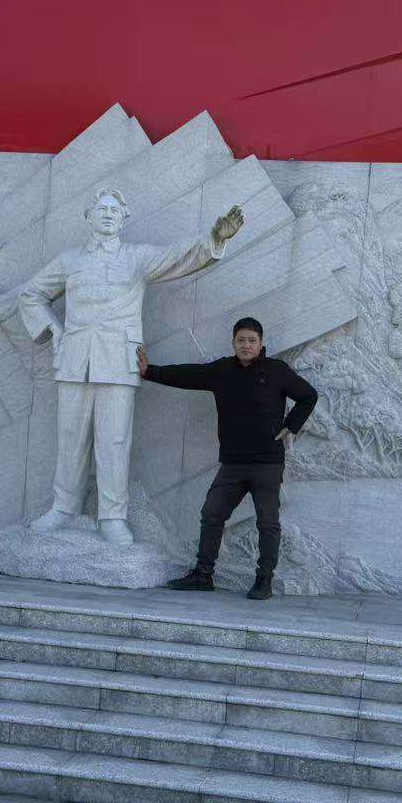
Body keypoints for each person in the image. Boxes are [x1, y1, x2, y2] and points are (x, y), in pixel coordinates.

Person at [16, 187, 244, 544]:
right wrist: (53, 331)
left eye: (114, 210)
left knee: (114, 440)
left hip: (118, 362)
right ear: (88, 217)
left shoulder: (136, 258)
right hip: (75, 361)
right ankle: (63, 509)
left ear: (124, 218)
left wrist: (214, 238)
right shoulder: (69, 260)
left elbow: (176, 256)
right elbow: (30, 294)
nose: (108, 214)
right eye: (101, 209)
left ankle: (112, 516)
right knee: (70, 439)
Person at [138, 317, 317, 599]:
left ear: (261, 343)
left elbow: (309, 396)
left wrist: (290, 426)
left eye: (252, 340)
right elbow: (188, 375)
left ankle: (264, 580)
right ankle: (203, 575)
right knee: (212, 514)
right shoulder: (222, 370)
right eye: (241, 340)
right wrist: (150, 372)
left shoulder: (277, 371)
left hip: (267, 464)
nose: (246, 345)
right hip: (232, 464)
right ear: (233, 343)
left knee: (267, 523)